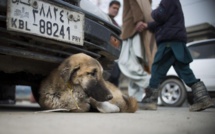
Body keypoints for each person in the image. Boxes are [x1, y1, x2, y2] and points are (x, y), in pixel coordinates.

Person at [140, 0, 214, 111]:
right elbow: (162, 22)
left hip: (169, 42)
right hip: (176, 41)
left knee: (157, 68)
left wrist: (152, 11)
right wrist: (147, 26)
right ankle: (203, 98)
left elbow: (160, 16)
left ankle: (150, 100)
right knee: (184, 70)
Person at [118, 0, 157, 102]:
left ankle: (150, 84)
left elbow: (135, 3)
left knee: (125, 63)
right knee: (137, 64)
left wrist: (138, 20)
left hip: (132, 28)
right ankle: (136, 99)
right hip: (139, 30)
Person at [107, 0, 121, 86]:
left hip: (113, 56)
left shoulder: (117, 26)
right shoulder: (103, 19)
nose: (116, 10)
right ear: (109, 8)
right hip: (103, 53)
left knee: (115, 76)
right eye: (114, 8)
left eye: (117, 9)